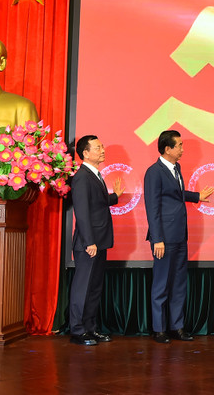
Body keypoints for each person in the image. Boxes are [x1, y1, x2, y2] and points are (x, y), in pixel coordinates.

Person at [143, 130, 213, 344]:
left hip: (180, 235)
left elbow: (175, 193)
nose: (183, 149)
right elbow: (152, 206)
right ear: (167, 149)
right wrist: (157, 239)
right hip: (164, 237)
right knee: (162, 284)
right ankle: (159, 328)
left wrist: (195, 197)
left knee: (179, 283)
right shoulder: (154, 172)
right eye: (179, 145)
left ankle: (177, 326)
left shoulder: (176, 168)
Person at [69, 135, 124, 346]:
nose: (102, 150)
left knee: (94, 287)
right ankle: (78, 330)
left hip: (99, 241)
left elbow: (97, 203)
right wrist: (89, 241)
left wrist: (115, 197)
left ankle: (90, 328)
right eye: (98, 147)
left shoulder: (95, 175)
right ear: (85, 152)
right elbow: (82, 211)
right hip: (89, 243)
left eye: (102, 146)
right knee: (83, 287)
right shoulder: (82, 176)